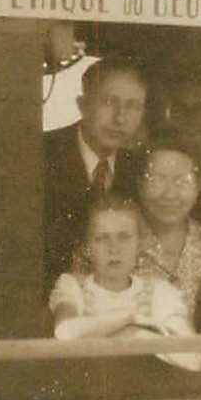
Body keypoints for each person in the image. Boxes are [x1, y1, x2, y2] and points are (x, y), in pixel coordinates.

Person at [49, 193, 201, 372]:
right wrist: (130, 318)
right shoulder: (73, 286)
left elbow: (194, 360)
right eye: (102, 238)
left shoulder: (159, 291)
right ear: (88, 247)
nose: (114, 249)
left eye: (124, 237)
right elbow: (65, 333)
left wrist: (135, 334)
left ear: (139, 243)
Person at [42, 56, 147, 289]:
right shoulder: (40, 155)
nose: (120, 118)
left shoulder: (139, 170)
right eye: (109, 102)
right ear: (82, 104)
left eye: (132, 106)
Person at [128, 125, 201, 323]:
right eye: (157, 180)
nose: (170, 194)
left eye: (182, 181)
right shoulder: (114, 239)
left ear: (199, 185)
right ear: (139, 184)